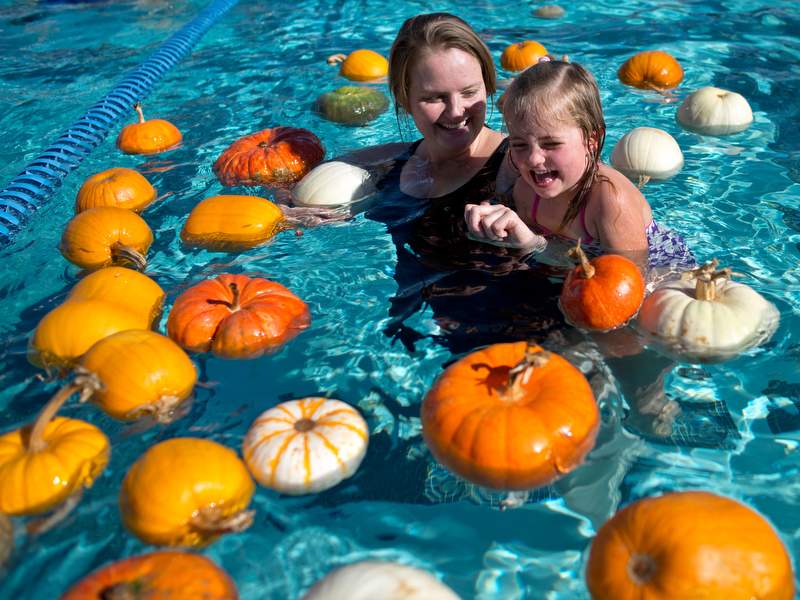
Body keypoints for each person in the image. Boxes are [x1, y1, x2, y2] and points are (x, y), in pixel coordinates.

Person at [465, 58, 695, 273]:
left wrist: (532, 243)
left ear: (591, 140)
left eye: (551, 144)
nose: (534, 159)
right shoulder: (526, 189)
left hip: (659, 275)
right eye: (519, 144)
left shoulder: (610, 201)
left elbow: (629, 282)